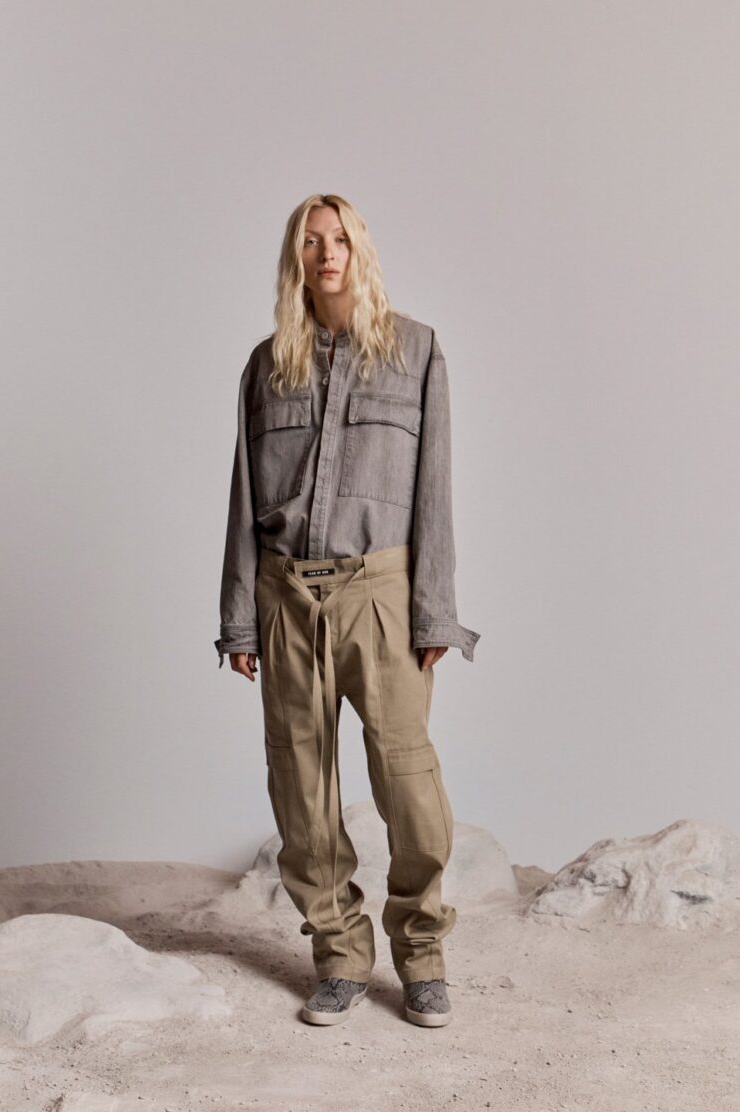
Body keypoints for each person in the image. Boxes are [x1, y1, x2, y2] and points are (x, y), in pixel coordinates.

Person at [214, 193, 480, 1028]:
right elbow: (243, 497)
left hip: (382, 594)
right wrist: (239, 619)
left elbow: (434, 493)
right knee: (300, 789)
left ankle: (421, 953)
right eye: (309, 242)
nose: (325, 253)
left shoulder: (415, 351)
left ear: (359, 249)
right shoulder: (267, 366)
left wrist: (433, 613)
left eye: (337, 239)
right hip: (284, 595)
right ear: (294, 260)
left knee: (409, 784)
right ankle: (338, 955)